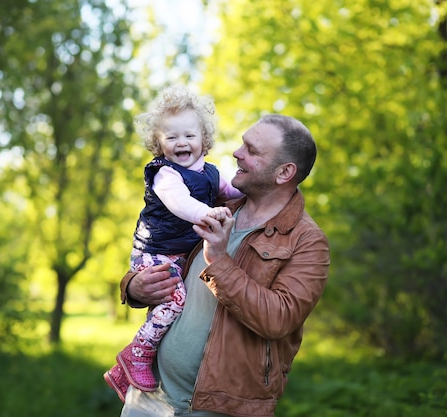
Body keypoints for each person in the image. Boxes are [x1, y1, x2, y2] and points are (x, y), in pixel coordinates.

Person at [117, 114, 330, 417]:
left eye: (252, 151)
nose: (236, 153)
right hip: (149, 398)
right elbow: (163, 253)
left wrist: (218, 260)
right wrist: (134, 287)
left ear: (284, 172)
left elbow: (278, 318)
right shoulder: (211, 208)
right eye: (242, 144)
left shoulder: (307, 241)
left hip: (220, 408)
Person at [104, 86, 244, 403]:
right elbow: (180, 203)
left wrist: (249, 192)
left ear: (204, 140)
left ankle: (125, 375)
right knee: (173, 301)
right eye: (171, 137)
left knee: (171, 303)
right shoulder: (165, 174)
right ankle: (135, 354)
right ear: (159, 143)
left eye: (189, 136)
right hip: (153, 251)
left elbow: (231, 191)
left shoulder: (210, 173)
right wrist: (208, 212)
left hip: (175, 252)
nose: (181, 143)